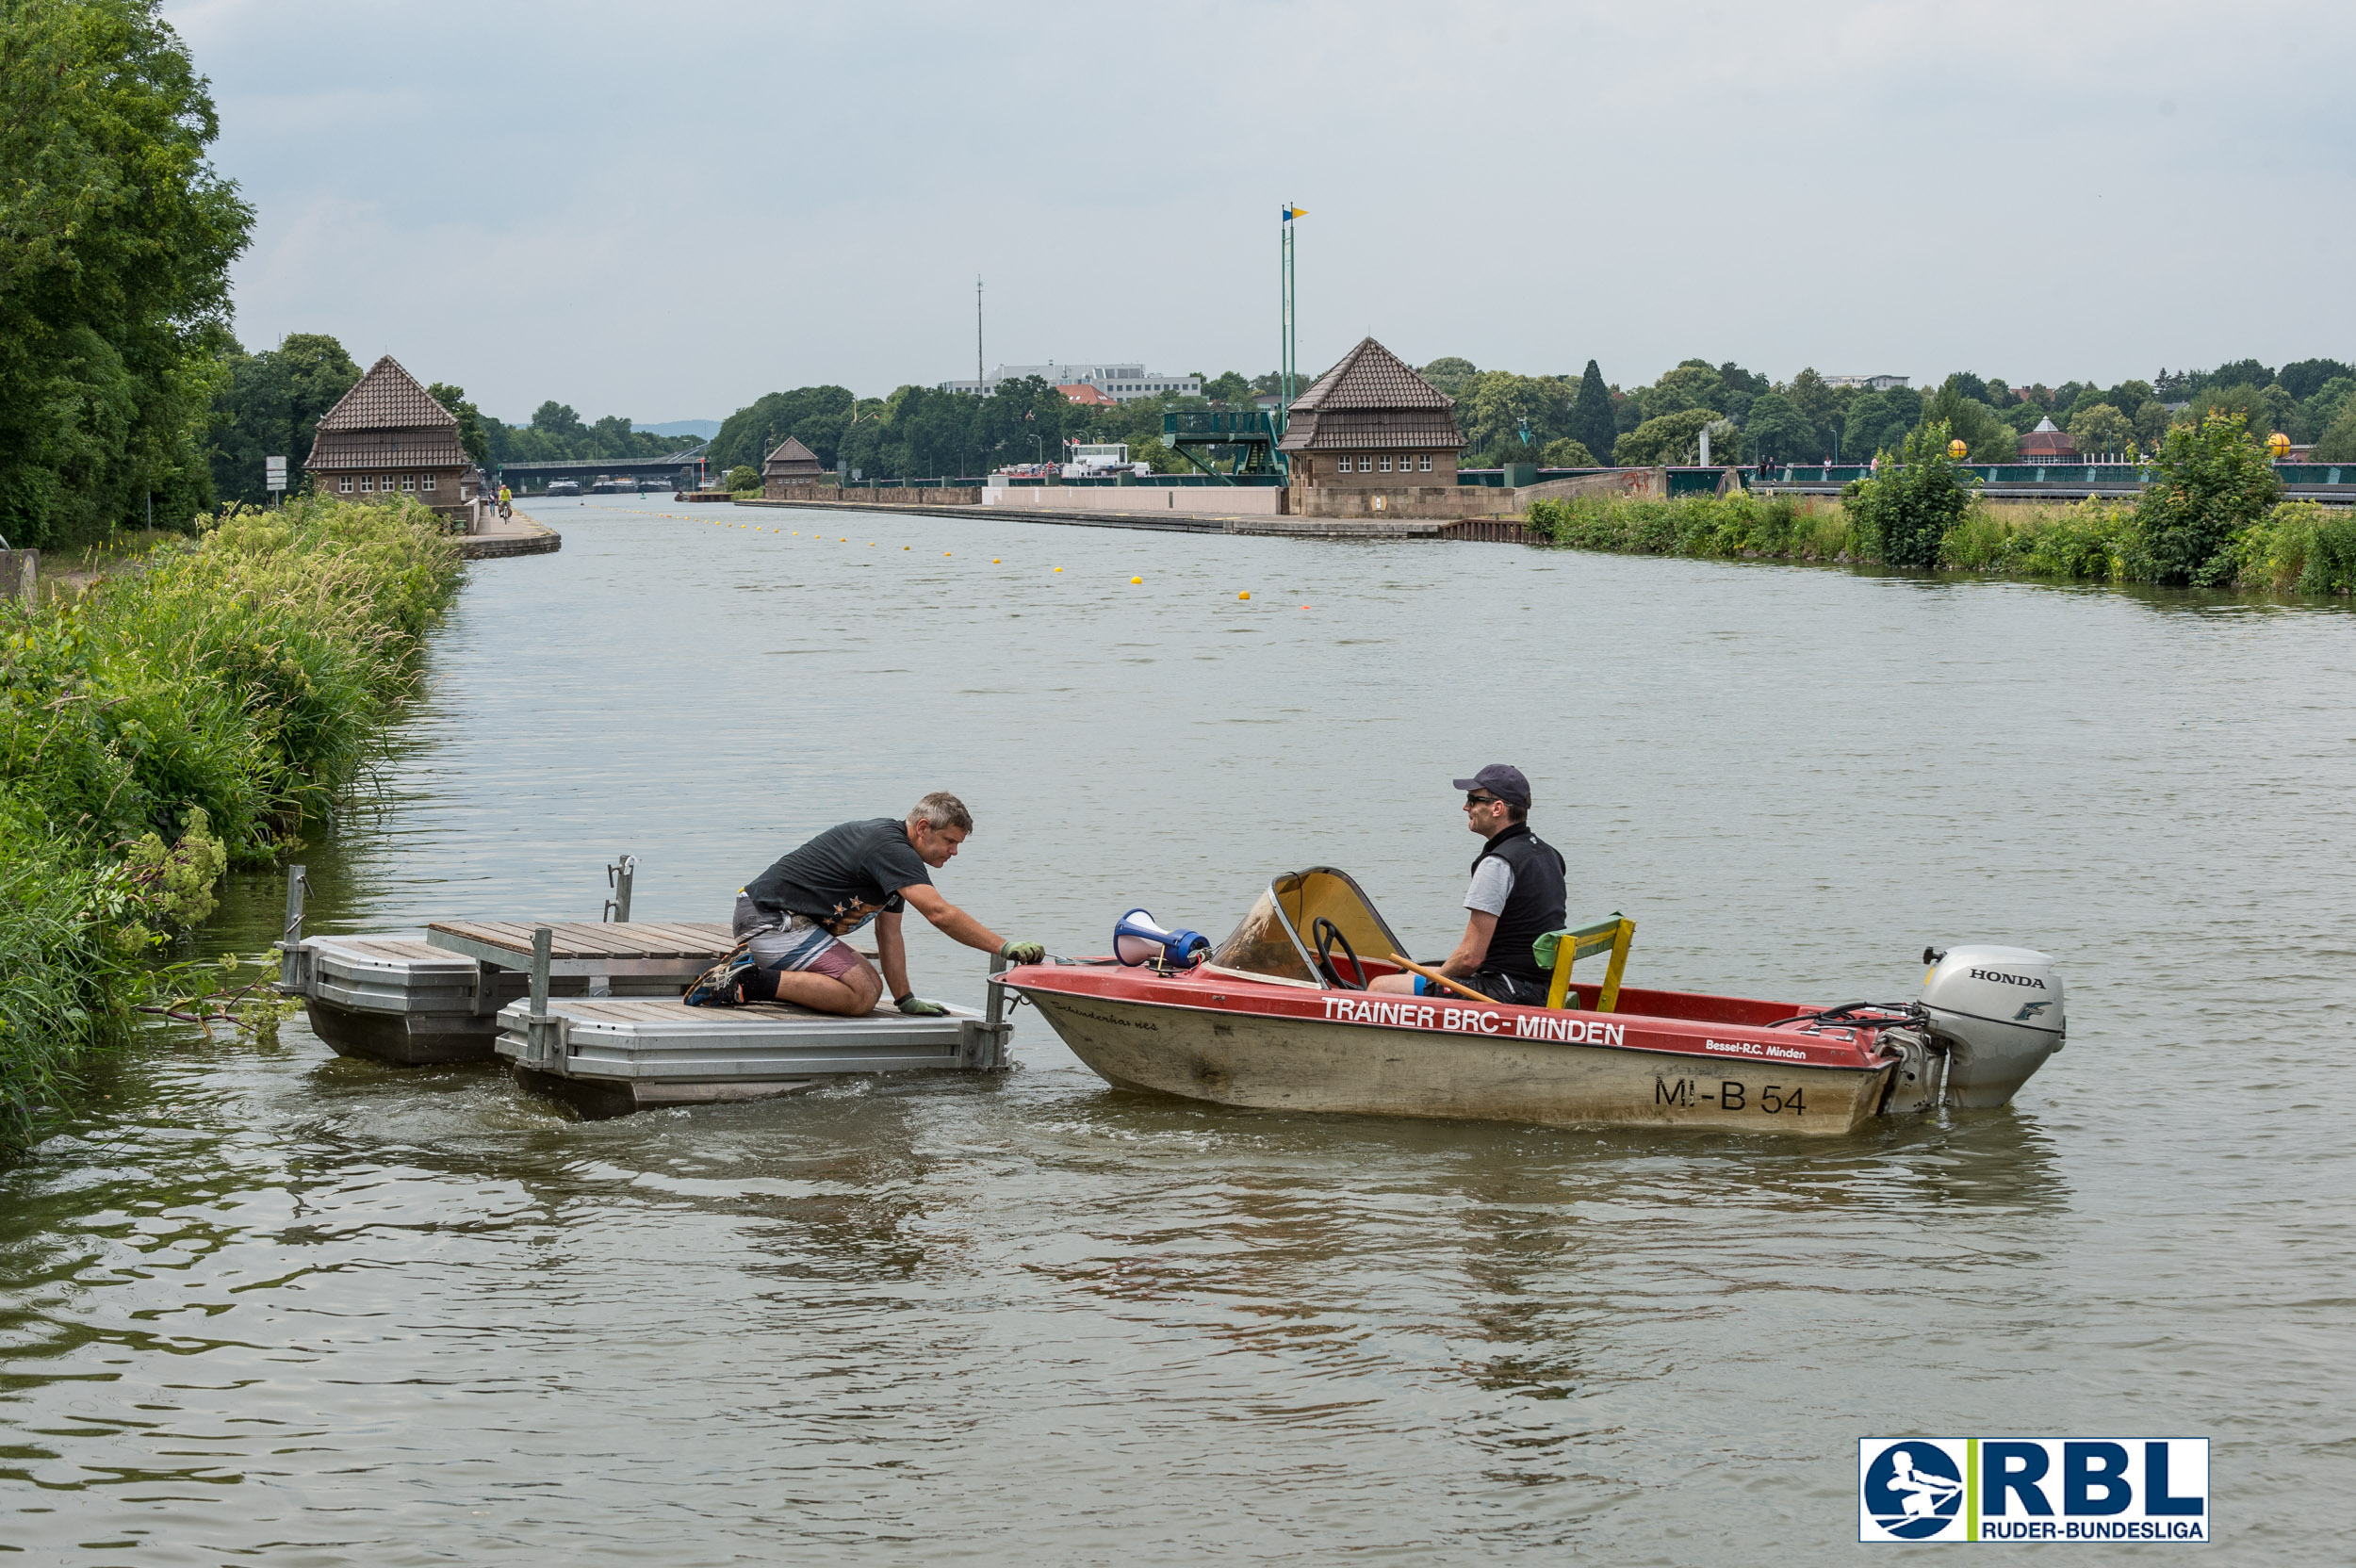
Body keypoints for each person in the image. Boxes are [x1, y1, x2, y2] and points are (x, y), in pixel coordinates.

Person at [684, 792, 1045, 1017]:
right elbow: (939, 914)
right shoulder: (892, 850)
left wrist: (904, 999)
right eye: (950, 841)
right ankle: (747, 981)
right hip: (771, 920)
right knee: (863, 994)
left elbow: (890, 934)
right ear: (923, 827)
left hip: (788, 924)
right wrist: (1003, 946)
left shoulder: (896, 858)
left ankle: (759, 966)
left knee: (871, 986)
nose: (954, 852)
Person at [1367, 764, 1565, 1006]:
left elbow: (1470, 958)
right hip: (1537, 985)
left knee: (1380, 987)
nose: (1466, 807)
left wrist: (1436, 978)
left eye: (1473, 800)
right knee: (1410, 974)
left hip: (1506, 990)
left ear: (1497, 808)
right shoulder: (1548, 854)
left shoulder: (1497, 864)